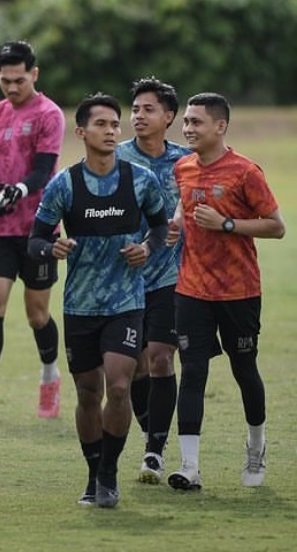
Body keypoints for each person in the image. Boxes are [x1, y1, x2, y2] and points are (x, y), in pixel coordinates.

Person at [28, 93, 167, 508]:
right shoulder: (64, 184)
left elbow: (160, 228)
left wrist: (147, 247)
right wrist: (51, 248)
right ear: (81, 132)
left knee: (119, 387)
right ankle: (92, 474)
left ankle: (109, 473)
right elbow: (35, 239)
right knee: (88, 393)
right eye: (101, 124)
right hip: (80, 306)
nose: (111, 131)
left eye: (114, 124)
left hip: (126, 302)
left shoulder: (141, 179)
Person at [166, 93, 285, 491]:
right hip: (191, 289)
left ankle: (256, 448)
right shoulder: (182, 167)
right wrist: (177, 224)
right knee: (192, 371)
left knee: (243, 369)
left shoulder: (245, 172)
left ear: (220, 126)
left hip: (239, 291)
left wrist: (227, 224)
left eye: (196, 122)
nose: (187, 128)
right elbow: (184, 208)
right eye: (186, 121)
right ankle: (189, 467)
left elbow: (276, 226)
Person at [0, 40, 66, 422]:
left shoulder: (49, 114)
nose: (11, 87)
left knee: (37, 314)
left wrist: (17, 191)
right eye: (5, 80)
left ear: (34, 74)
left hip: (38, 229)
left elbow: (44, 170)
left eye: (19, 80)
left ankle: (50, 377)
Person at [116, 77, 190, 484]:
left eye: (148, 109)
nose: (138, 116)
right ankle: (152, 432)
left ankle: (153, 453)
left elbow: (202, 203)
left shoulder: (187, 161)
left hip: (170, 277)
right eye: (135, 109)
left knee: (161, 357)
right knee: (133, 368)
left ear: (169, 117)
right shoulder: (117, 157)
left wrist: (185, 224)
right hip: (124, 279)